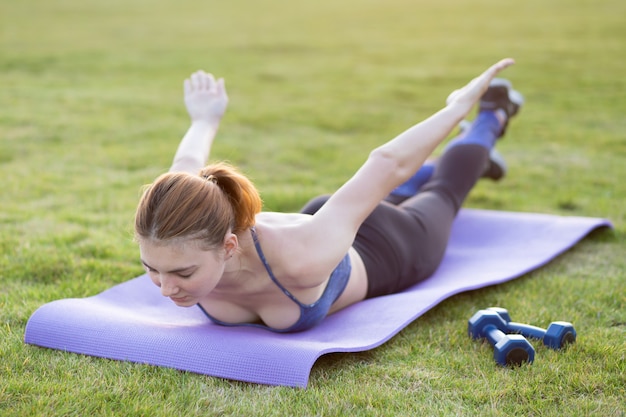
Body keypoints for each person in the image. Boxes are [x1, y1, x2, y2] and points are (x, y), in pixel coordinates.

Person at [134, 58, 523, 333]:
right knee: (393, 189)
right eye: (152, 269)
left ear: (228, 245)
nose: (166, 288)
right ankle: (443, 162)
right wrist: (204, 118)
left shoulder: (303, 258)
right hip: (329, 219)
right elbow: (187, 162)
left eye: (183, 273)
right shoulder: (180, 219)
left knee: (446, 191)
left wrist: (455, 108)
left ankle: (491, 117)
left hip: (384, 246)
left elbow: (386, 164)